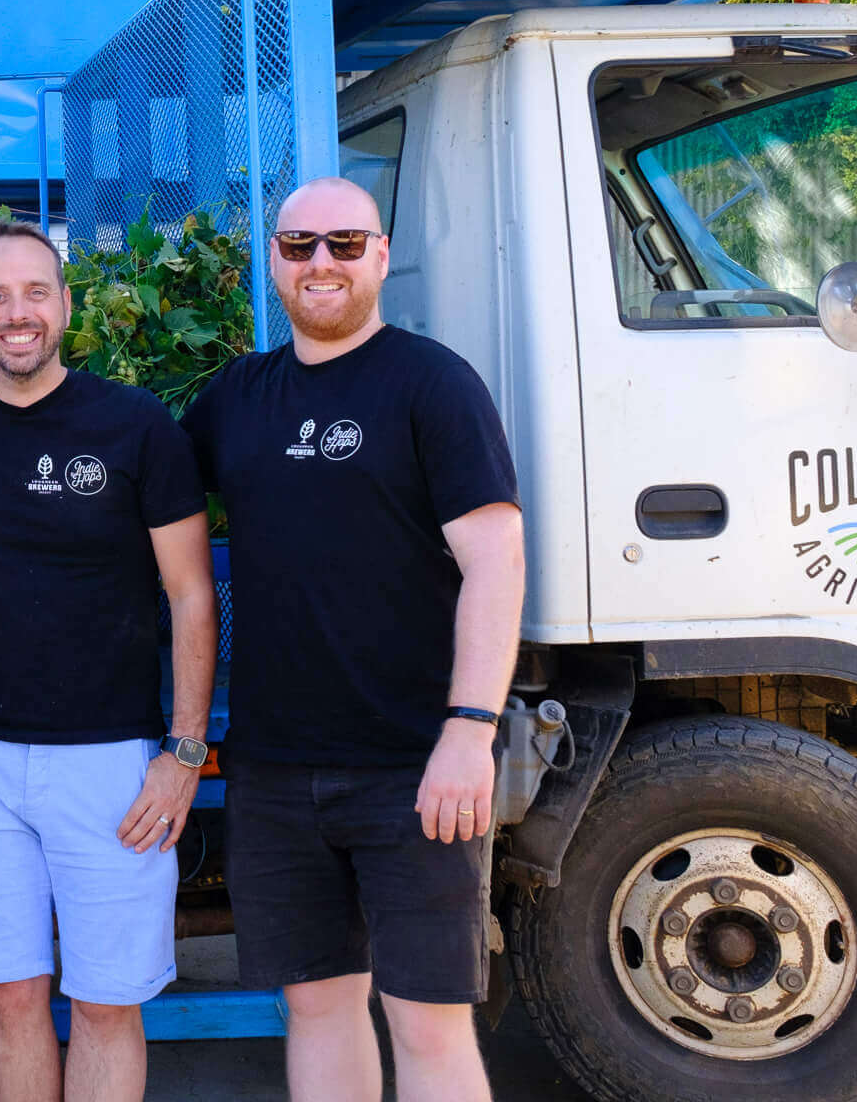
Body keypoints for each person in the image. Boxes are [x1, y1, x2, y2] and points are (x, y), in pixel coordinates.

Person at [179, 176, 524, 1102]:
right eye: (298, 247)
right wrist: (3, 386)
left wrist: (469, 729)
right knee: (321, 1007)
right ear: (276, 264)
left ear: (378, 256)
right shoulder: (239, 395)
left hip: (415, 766)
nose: (319, 262)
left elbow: (496, 561)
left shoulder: (431, 383)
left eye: (342, 242)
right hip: (276, 768)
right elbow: (138, 479)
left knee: (427, 1019)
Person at [0, 220, 218, 1102]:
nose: (18, 314)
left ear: (66, 304)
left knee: (107, 1003)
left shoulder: (134, 425)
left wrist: (182, 755)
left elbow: (192, 593)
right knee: (9, 996)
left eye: (36, 292)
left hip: (114, 766)